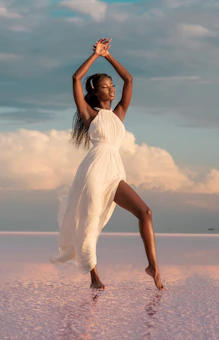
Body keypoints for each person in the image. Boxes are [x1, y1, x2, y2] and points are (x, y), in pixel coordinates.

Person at [52, 38, 164, 291]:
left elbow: (130, 80)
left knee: (145, 212)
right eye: (105, 86)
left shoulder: (119, 114)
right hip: (93, 172)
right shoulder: (89, 114)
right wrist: (94, 56)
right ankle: (94, 278)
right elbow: (75, 79)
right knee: (89, 223)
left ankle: (153, 266)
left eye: (111, 85)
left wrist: (108, 57)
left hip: (114, 172)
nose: (112, 89)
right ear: (95, 92)